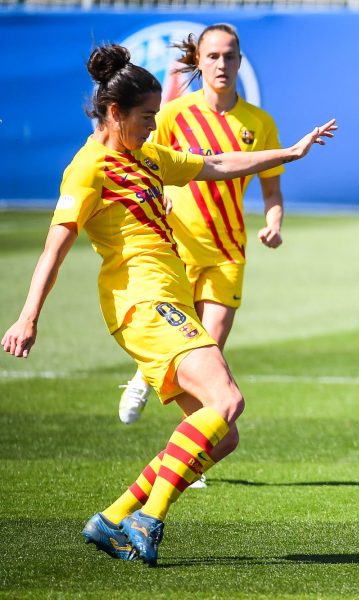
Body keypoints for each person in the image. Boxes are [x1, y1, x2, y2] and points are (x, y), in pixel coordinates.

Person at [1, 44, 337, 566]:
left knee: (221, 437)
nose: (153, 126)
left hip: (163, 303)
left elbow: (219, 163)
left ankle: (113, 518)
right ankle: (151, 517)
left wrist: (288, 154)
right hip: (143, 303)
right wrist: (28, 316)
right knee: (225, 400)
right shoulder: (89, 168)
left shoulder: (148, 156)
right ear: (114, 113)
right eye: (144, 117)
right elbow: (55, 246)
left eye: (156, 116)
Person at [117, 24, 287, 432]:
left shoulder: (259, 123)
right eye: (213, 56)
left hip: (228, 252)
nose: (222, 64)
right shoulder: (174, 114)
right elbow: (145, 164)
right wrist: (159, 195)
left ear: (240, 61)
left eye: (229, 56)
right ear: (198, 60)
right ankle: (154, 386)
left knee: (208, 351)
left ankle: (187, 450)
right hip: (178, 248)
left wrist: (274, 223)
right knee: (190, 354)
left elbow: (271, 189)